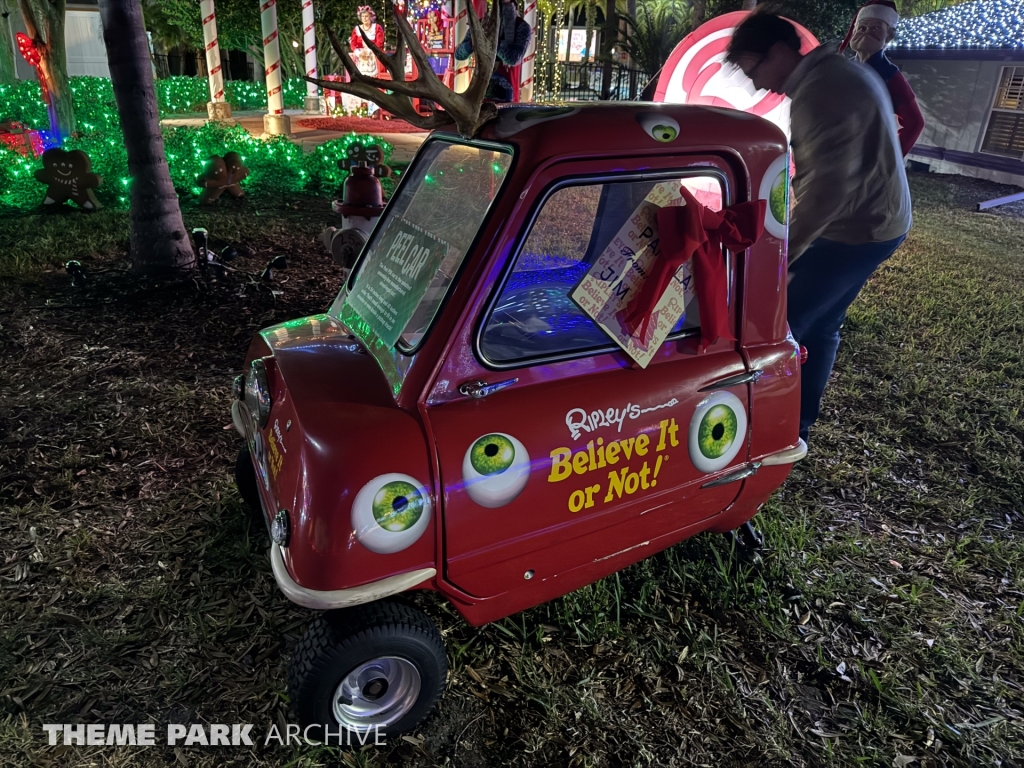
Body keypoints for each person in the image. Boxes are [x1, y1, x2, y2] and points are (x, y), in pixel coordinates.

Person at [726, 12, 912, 444]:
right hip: (879, 220)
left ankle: (768, 432)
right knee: (824, 323)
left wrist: (774, 259)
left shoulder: (822, 90)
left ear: (779, 51)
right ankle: (798, 424)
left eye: (754, 70)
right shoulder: (836, 71)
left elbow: (825, 196)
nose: (756, 84)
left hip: (857, 229)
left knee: (779, 324)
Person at [840, 0, 925, 157]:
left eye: (875, 28)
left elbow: (915, 122)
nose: (866, 32)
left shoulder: (890, 76)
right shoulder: (844, 69)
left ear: (889, 35)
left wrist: (890, 158)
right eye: (862, 28)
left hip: (866, 150)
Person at [455, 0, 532, 102]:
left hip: (506, 97)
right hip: (479, 94)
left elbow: (514, 59)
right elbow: (459, 54)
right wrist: (472, 43)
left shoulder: (522, 27)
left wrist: (492, 42)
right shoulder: (482, 24)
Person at [345, 6, 386, 115]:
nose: (365, 19)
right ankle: (361, 109)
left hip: (373, 59)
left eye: (367, 16)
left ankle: (375, 109)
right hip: (361, 60)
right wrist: (359, 53)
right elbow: (353, 44)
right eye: (363, 16)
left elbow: (379, 43)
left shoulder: (377, 28)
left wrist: (368, 52)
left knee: (373, 83)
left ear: (371, 17)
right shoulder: (357, 29)